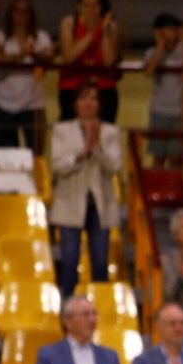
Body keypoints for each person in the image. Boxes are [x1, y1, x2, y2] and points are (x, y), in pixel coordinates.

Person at [50, 82, 121, 298]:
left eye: (93, 98)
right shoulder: (61, 130)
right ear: (75, 104)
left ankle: (99, 308)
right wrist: (82, 152)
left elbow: (114, 167)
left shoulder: (110, 131)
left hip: (100, 205)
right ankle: (68, 310)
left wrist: (97, 147)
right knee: (70, 261)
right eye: (83, 98)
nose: (88, 103)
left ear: (99, 104)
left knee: (100, 262)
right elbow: (58, 166)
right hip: (70, 202)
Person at [0, 0, 54, 152]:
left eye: (26, 11)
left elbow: (49, 58)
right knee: (8, 154)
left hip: (33, 104)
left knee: (36, 152)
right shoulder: (2, 36)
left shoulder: (41, 37)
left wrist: (33, 54)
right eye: (17, 10)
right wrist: (20, 55)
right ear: (11, 13)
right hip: (3, 103)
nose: (21, 15)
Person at [57, 0, 119, 123]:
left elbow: (109, 61)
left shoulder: (110, 27)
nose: (90, 9)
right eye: (86, 4)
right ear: (78, 6)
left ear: (102, 7)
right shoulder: (69, 24)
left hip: (103, 88)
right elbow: (68, 57)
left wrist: (104, 31)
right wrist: (94, 32)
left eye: (95, 4)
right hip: (72, 87)